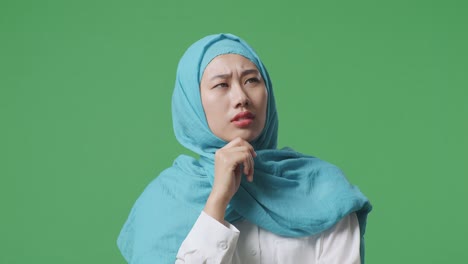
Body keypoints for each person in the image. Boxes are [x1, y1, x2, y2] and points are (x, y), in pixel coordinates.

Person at [117, 33, 372, 264]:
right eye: (222, 85)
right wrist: (218, 200)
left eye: (251, 80)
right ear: (193, 103)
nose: (241, 98)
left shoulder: (324, 191)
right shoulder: (162, 204)